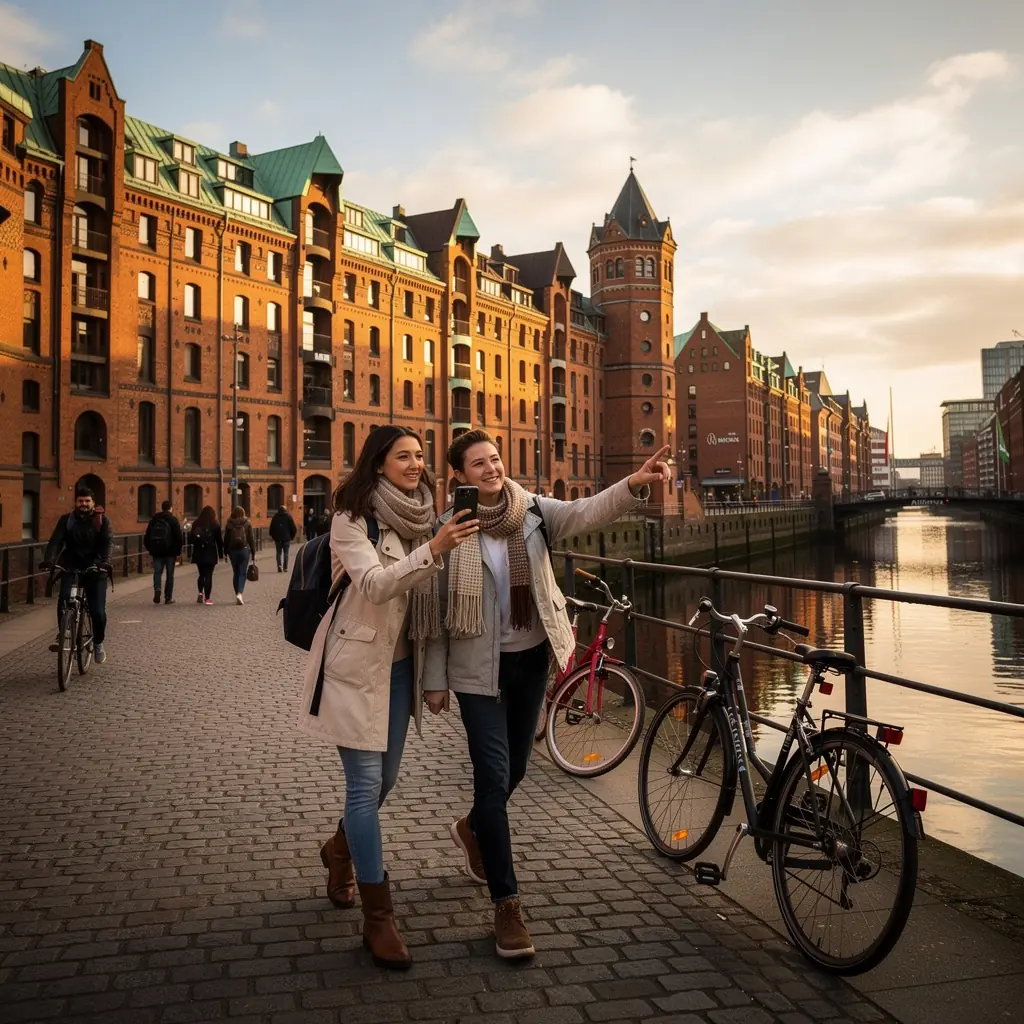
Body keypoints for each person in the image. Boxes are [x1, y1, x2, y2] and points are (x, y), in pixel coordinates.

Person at [423, 430, 670, 960]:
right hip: (475, 672)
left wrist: (634, 483)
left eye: (494, 459)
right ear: (460, 477)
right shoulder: (448, 529)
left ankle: (472, 829)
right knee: (493, 778)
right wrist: (435, 678)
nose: (491, 469)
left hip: (532, 659)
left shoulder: (531, 510)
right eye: (478, 464)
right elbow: (438, 613)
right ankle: (507, 904)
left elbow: (586, 512)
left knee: (513, 772)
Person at [298, 425, 478, 970]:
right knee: (366, 784)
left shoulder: (425, 513)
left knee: (389, 779)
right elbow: (375, 585)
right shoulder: (351, 519)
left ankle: (339, 849)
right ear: (378, 463)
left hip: (401, 670)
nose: (416, 464)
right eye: (404, 456)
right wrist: (433, 549)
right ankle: (379, 919)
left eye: (421, 456)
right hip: (354, 668)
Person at [41, 487, 113, 664]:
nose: (84, 504)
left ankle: (98, 643)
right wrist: (50, 559)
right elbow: (56, 541)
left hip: (96, 568)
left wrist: (104, 561)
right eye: (80, 501)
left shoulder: (102, 521)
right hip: (71, 566)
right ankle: (64, 632)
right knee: (64, 599)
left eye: (87, 501)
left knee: (97, 612)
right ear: (75, 503)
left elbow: (107, 543)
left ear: (93, 503)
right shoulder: (67, 520)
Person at [144, 500, 184, 604]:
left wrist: (150, 549)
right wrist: (178, 552)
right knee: (170, 574)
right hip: (170, 553)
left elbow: (147, 535)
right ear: (170, 508)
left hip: (157, 552)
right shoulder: (173, 520)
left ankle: (157, 589)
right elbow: (179, 538)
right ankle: (168, 597)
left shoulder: (154, 519)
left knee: (157, 572)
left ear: (162, 508)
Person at [189, 506, 224, 605]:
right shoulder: (215, 524)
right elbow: (219, 541)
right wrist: (221, 554)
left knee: (201, 574)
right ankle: (207, 598)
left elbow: (191, 539)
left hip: (199, 552)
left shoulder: (196, 523)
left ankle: (200, 592)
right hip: (210, 553)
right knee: (209, 575)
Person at [224, 506, 257, 605]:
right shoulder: (247, 523)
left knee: (236, 572)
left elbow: (226, 539)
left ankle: (237, 593)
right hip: (244, 550)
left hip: (233, 551)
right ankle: (240, 593)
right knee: (242, 572)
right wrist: (254, 553)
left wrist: (225, 552)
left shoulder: (229, 524)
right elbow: (251, 538)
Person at [269, 505, 298, 572]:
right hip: (286, 538)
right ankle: (285, 567)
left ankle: (279, 565)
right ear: (285, 510)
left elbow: (271, 529)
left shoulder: (275, 517)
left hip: (278, 539)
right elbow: (294, 529)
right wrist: (291, 537)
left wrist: (274, 537)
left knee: (278, 553)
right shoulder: (288, 517)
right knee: (286, 553)